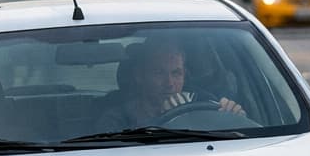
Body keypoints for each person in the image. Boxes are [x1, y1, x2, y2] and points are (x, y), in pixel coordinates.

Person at [95, 38, 245, 131]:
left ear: (184, 75)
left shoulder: (203, 106)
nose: (169, 84)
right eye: (159, 73)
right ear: (139, 76)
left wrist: (234, 118)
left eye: (176, 73)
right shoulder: (117, 119)